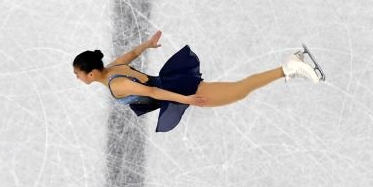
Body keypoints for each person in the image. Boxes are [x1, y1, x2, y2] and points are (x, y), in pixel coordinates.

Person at [72, 30, 323, 133]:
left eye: (78, 74)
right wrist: (147, 44)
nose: (77, 77)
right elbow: (132, 55)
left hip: (174, 89)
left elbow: (153, 92)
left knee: (239, 90)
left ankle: (289, 67)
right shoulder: (113, 67)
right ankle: (290, 65)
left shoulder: (116, 85)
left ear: (91, 74)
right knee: (238, 90)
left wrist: (186, 99)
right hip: (173, 84)